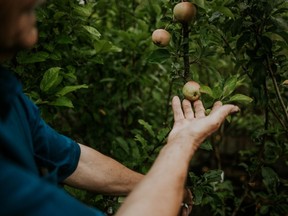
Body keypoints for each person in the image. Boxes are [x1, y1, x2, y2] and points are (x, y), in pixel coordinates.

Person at [0, 0, 240, 216]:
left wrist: (162, 187)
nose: (41, 1)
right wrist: (182, 143)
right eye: (25, 8)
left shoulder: (11, 103)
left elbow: (76, 161)